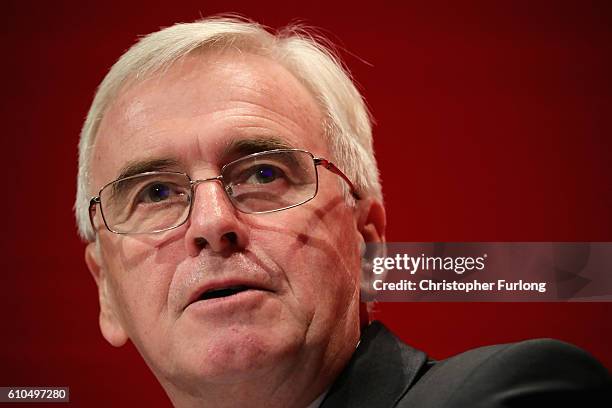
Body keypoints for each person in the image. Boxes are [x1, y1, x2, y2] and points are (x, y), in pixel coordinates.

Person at [75, 16, 611, 407]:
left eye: (264, 175)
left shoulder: (512, 394)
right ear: (106, 292)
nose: (213, 224)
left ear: (368, 245)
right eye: (154, 194)